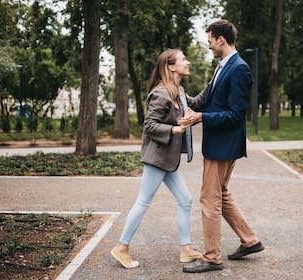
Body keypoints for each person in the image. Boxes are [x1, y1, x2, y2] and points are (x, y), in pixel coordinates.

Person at [180, 19, 264, 273]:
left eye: (209, 42)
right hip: (221, 144)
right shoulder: (222, 66)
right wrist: (180, 93)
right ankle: (250, 241)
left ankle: (212, 257)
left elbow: (236, 115)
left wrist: (201, 118)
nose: (209, 47)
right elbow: (204, 100)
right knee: (222, 194)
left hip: (223, 146)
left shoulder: (239, 68)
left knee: (209, 200)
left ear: (221, 40)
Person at [110, 49, 202, 269]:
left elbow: (195, 104)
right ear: (170, 67)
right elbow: (150, 126)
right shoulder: (161, 93)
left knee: (185, 200)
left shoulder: (177, 91)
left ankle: (186, 250)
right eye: (182, 60)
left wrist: (215, 83)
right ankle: (122, 247)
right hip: (157, 158)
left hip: (168, 159)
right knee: (143, 201)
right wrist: (175, 131)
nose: (187, 62)